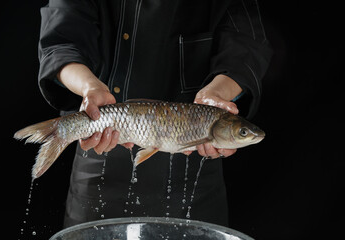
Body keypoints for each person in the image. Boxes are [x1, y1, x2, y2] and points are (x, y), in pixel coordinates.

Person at [38, 0, 272, 228]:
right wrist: (90, 87)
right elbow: (61, 41)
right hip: (99, 158)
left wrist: (218, 93)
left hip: (193, 177)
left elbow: (246, 44)